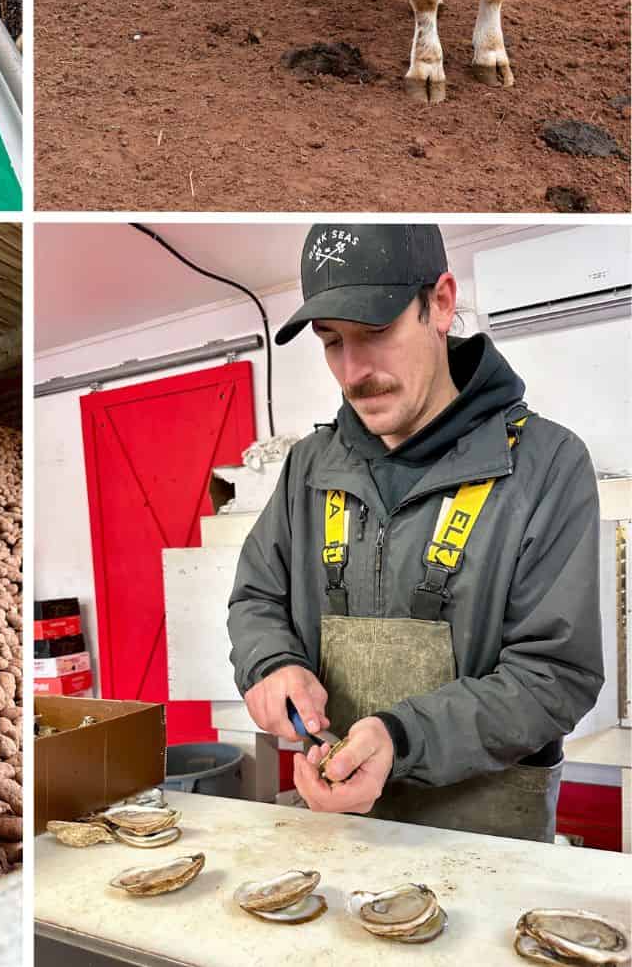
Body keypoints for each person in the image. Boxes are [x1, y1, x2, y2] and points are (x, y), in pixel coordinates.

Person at [227, 223, 603, 842]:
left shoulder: (547, 464)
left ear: (441, 303)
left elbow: (555, 674)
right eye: (331, 342)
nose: (353, 372)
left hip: (484, 838)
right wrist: (271, 665)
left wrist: (400, 739)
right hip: (336, 825)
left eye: (376, 333)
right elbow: (257, 598)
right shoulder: (309, 467)